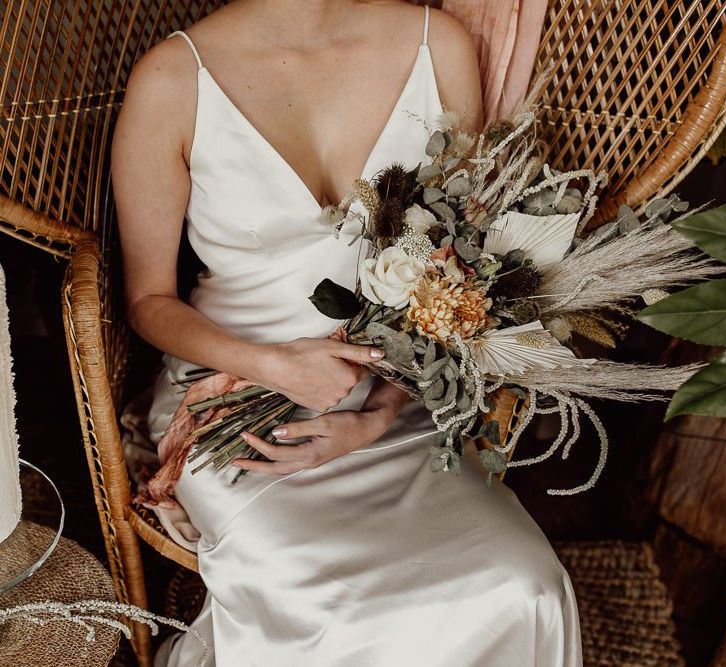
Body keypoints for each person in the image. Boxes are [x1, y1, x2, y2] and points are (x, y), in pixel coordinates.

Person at [111, 1, 582, 665]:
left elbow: (460, 261)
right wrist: (273, 365)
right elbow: (148, 300)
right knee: (334, 610)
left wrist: (381, 411)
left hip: (398, 397)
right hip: (236, 401)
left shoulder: (436, 45)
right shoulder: (171, 78)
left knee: (524, 585)